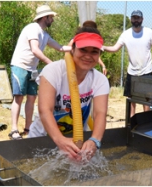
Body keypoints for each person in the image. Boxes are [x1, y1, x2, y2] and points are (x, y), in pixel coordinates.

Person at [29, 26, 110, 160]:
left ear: (99, 54)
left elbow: (100, 113)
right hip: (42, 139)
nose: (88, 56)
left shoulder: (99, 79)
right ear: (73, 49)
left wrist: (94, 140)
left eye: (94, 51)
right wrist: (60, 140)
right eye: (83, 49)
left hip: (75, 143)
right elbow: (45, 109)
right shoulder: (53, 71)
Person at [9, 5, 71, 140]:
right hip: (20, 66)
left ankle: (27, 128)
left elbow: (59, 47)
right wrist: (52, 64)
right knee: (18, 97)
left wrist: (76, 47)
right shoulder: (32, 28)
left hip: (32, 69)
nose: (52, 20)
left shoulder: (45, 34)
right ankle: (14, 130)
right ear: (45, 17)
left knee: (31, 98)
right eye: (51, 17)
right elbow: (35, 50)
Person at [103, 10, 152, 117]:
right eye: (134, 18)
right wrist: (102, 47)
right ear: (131, 19)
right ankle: (131, 120)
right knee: (131, 98)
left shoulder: (149, 32)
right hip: (132, 71)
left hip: (147, 70)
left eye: (138, 18)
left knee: (147, 98)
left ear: (142, 19)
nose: (136, 20)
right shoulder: (125, 34)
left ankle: (147, 119)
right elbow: (115, 48)